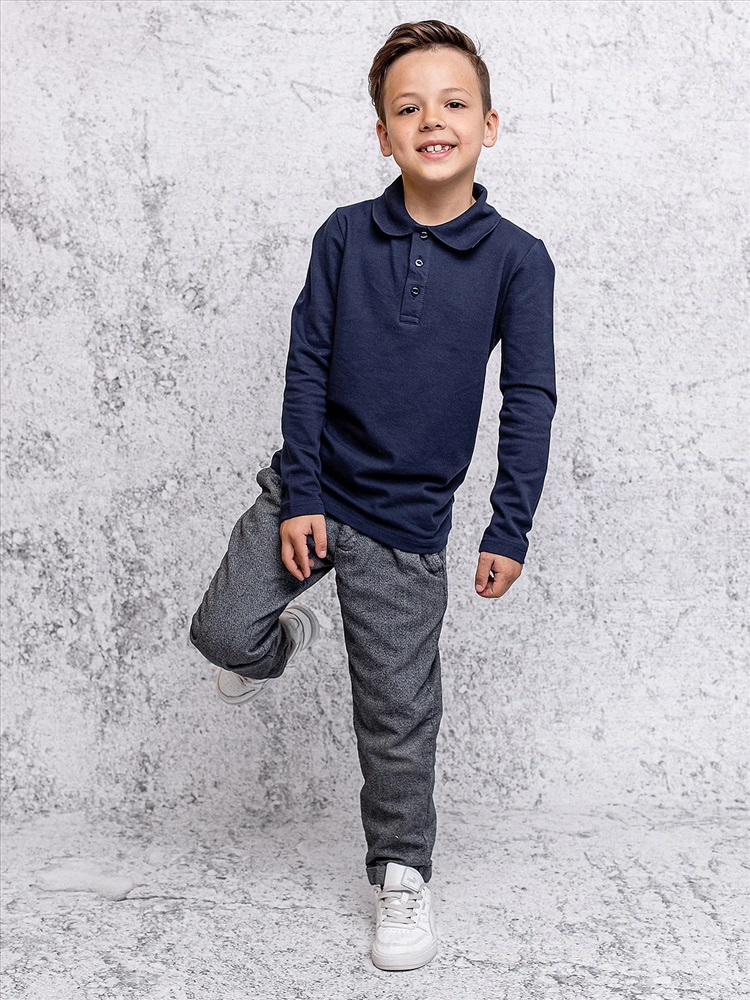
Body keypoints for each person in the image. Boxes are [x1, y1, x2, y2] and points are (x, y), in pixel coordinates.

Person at [189, 18, 556, 973]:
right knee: (222, 633)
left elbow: (528, 397)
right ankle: (284, 637)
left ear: (488, 125)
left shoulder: (519, 259)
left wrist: (508, 527)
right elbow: (307, 363)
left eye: (453, 103)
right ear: (383, 134)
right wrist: (302, 494)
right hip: (310, 490)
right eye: (408, 107)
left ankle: (401, 874)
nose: (432, 120)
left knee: (396, 721)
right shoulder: (345, 235)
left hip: (405, 529)